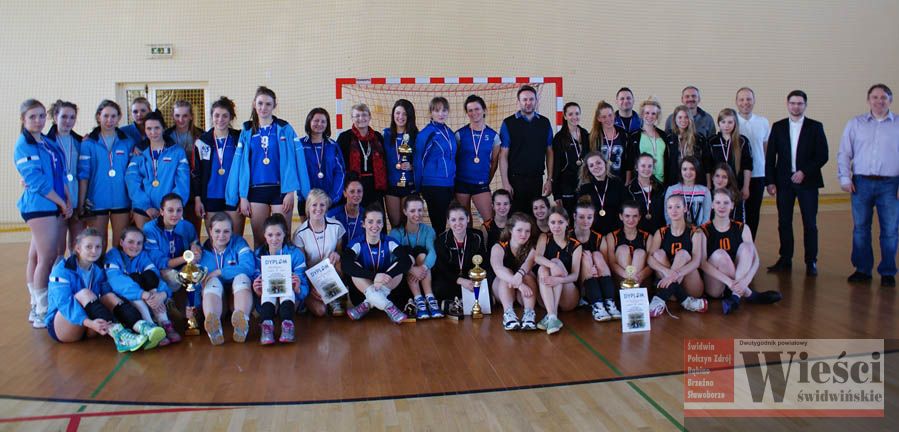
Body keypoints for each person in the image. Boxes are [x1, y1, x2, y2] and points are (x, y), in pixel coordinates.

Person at [46, 228, 161, 351]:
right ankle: (120, 336)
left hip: (90, 326)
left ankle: (140, 326)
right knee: (85, 293)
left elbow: (108, 295)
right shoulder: (62, 269)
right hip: (64, 326)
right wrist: (90, 323)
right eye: (88, 247)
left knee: (109, 296)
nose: (94, 251)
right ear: (78, 248)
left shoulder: (98, 269)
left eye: (98, 247)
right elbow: (64, 304)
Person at [226, 86, 307, 248]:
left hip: (281, 190)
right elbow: (240, 165)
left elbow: (292, 161)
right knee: (260, 241)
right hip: (256, 191)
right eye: (260, 103)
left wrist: (291, 191)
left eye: (268, 104)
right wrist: (243, 196)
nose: (263, 108)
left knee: (283, 238)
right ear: (254, 104)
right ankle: (261, 266)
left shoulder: (284, 128)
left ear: (274, 105)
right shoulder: (247, 131)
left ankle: (285, 266)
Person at [16, 99, 71, 328]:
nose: (38, 121)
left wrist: (68, 200)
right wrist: (60, 202)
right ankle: (41, 308)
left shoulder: (48, 142)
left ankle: (34, 304)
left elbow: (61, 173)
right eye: (32, 117)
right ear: (23, 119)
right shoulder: (23, 145)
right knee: (47, 257)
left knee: (37, 255)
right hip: (39, 207)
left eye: (41, 116)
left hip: (54, 205)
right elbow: (36, 181)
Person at [837, 83, 899, 287]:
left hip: (891, 184)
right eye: (875, 97)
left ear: (890, 100)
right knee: (861, 228)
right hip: (861, 183)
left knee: (890, 230)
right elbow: (844, 152)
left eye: (883, 97)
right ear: (868, 100)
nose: (879, 101)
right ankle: (862, 269)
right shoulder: (855, 124)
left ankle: (888, 271)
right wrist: (845, 178)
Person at [765, 90, 829, 276]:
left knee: (810, 223)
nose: (796, 107)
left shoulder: (815, 126)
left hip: (808, 182)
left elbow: (822, 155)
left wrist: (804, 172)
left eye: (800, 103)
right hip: (784, 182)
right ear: (787, 104)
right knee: (784, 221)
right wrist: (770, 181)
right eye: (792, 103)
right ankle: (785, 258)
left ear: (805, 105)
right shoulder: (778, 126)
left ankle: (811, 261)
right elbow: (771, 156)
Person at [701, 189, 782, 314]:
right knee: (720, 254)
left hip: (736, 283)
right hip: (716, 286)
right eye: (718, 202)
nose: (722, 206)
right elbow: (702, 264)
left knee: (748, 247)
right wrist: (730, 282)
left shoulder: (742, 228)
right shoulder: (703, 230)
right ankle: (750, 295)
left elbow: (756, 260)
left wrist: (745, 282)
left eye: (726, 203)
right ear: (712, 205)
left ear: (732, 205)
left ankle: (735, 297)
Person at [104, 226, 180, 345]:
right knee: (134, 280)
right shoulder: (113, 255)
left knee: (150, 277)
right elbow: (117, 282)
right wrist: (143, 294)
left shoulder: (143, 256)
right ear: (121, 242)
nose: (135, 246)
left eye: (139, 243)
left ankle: (164, 323)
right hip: (121, 301)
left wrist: (162, 294)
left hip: (146, 298)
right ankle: (151, 327)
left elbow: (155, 277)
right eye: (130, 242)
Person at [78, 100, 135, 251]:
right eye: (106, 116)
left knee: (120, 245)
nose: (109, 120)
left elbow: (132, 176)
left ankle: (116, 267)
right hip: (96, 201)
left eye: (113, 116)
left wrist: (133, 203)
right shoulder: (88, 143)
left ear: (119, 118)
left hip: (122, 200)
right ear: (98, 117)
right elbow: (83, 176)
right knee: (98, 245)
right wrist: (82, 203)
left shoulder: (128, 142)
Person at [341, 204, 412, 324]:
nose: (375, 226)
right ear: (363, 224)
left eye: (379, 222)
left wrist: (388, 275)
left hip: (386, 288)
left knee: (399, 267)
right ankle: (389, 306)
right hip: (361, 293)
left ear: (383, 224)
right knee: (354, 268)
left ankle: (367, 304)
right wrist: (374, 276)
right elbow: (345, 264)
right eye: (370, 222)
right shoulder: (357, 243)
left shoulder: (389, 241)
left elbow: (406, 261)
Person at [142, 194, 202, 326]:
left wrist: (196, 250)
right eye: (170, 210)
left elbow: (196, 244)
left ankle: (193, 313)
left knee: (197, 272)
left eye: (179, 210)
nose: (175, 214)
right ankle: (162, 310)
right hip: (159, 271)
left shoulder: (187, 226)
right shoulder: (150, 229)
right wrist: (186, 257)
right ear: (161, 211)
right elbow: (160, 263)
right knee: (172, 276)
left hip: (180, 268)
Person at [198, 212, 255, 345]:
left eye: (226, 231)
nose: (222, 235)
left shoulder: (239, 243)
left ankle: (242, 325)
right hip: (220, 302)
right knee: (211, 282)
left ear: (232, 232)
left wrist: (219, 272)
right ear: (210, 231)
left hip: (239, 299)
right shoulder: (202, 252)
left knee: (242, 277)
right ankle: (214, 328)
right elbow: (197, 282)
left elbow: (248, 267)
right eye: (217, 231)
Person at [126, 111, 190, 229]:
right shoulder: (138, 153)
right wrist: (146, 206)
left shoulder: (177, 152)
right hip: (143, 209)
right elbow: (132, 182)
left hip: (170, 211)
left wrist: (170, 207)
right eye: (149, 128)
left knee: (169, 240)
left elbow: (183, 183)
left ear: (163, 128)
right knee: (145, 240)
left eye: (157, 128)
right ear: (144, 130)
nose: (153, 132)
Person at [646, 194, 708, 317]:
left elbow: (696, 262)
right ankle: (686, 301)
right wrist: (668, 272)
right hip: (670, 286)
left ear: (685, 209)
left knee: (683, 254)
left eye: (677, 207)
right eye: (670, 207)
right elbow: (649, 259)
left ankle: (660, 298)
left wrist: (676, 274)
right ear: (666, 210)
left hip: (692, 286)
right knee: (657, 254)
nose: (673, 210)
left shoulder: (695, 232)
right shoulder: (661, 232)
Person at [252, 214, 308, 344]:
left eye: (278, 234)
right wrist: (257, 290)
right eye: (270, 235)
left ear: (285, 234)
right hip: (266, 300)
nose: (274, 239)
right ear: (264, 235)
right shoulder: (258, 255)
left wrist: (298, 288)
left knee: (287, 288)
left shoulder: (296, 254)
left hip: (291, 301)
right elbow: (255, 283)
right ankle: (266, 326)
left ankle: (288, 325)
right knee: (267, 288)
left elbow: (304, 289)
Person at [193, 96, 244, 236]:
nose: (220, 119)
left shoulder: (239, 139)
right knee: (216, 241)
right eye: (216, 115)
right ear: (211, 116)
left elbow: (245, 169)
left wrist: (244, 196)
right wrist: (198, 199)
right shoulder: (202, 142)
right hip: (211, 197)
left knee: (235, 240)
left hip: (234, 197)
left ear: (231, 117)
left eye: (225, 116)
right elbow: (197, 173)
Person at [499, 85, 554, 214]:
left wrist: (549, 179)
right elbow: (503, 155)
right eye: (524, 99)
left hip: (537, 179)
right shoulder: (508, 123)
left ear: (536, 100)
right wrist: (505, 183)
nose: (528, 103)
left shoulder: (545, 123)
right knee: (516, 218)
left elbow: (550, 152)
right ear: (519, 101)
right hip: (515, 180)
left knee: (535, 217)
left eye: (531, 99)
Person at [294, 189, 346, 317]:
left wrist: (337, 255)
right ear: (308, 207)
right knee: (321, 311)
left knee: (340, 263)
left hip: (331, 274)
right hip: (311, 277)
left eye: (322, 205)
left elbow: (340, 253)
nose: (318, 208)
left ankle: (335, 298)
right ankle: (306, 299)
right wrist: (311, 285)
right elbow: (301, 265)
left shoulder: (336, 226)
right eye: (314, 205)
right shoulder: (300, 233)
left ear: (327, 207)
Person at [389, 195, 441, 319]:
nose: (417, 214)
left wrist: (423, 268)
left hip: (424, 276)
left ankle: (429, 298)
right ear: (405, 212)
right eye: (412, 211)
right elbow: (392, 258)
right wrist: (411, 269)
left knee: (422, 253)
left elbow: (432, 253)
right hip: (403, 277)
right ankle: (418, 299)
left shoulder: (428, 231)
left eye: (420, 210)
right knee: (406, 253)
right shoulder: (396, 232)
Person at [534, 206, 582, 334]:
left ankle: (551, 315)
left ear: (567, 222)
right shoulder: (544, 237)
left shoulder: (576, 245)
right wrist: (552, 266)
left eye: (560, 222)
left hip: (568, 297)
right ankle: (552, 316)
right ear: (548, 224)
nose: (556, 226)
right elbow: (537, 257)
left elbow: (575, 276)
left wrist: (558, 279)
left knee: (557, 261)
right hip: (546, 297)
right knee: (543, 268)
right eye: (553, 222)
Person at [571, 198, 619, 321]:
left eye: (589, 217)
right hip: (575, 281)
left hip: (597, 278)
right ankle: (597, 305)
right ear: (574, 216)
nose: (586, 221)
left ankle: (610, 303)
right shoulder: (568, 236)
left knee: (597, 255)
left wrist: (595, 269)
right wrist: (587, 267)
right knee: (586, 255)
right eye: (581, 217)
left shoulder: (599, 238)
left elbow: (605, 265)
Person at [433, 202, 490, 305]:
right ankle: (461, 301)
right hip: (452, 279)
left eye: (461, 219)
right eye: (453, 220)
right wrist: (460, 280)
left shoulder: (477, 236)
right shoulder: (441, 240)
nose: (458, 223)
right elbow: (442, 268)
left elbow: (482, 261)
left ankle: (457, 302)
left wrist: (474, 280)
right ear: (448, 221)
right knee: (439, 288)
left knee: (488, 283)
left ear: (468, 219)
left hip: (471, 279)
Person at [455, 95, 501, 222]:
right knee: (464, 222)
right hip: (461, 184)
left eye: (477, 109)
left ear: (484, 110)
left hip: (481, 184)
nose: (474, 113)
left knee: (489, 222)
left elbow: (494, 162)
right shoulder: (459, 134)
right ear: (467, 113)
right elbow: (454, 160)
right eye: (470, 110)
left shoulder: (493, 136)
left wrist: (486, 179)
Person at [414, 97, 457, 233]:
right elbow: (418, 161)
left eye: (444, 110)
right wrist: (417, 186)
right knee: (438, 224)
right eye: (437, 110)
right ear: (431, 112)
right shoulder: (426, 133)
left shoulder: (449, 132)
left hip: (448, 184)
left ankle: (440, 245)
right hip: (433, 185)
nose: (441, 114)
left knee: (443, 223)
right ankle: (437, 247)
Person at [490, 212, 539, 331]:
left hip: (523, 295)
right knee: (505, 273)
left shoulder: (532, 247)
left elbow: (528, 263)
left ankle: (529, 314)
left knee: (527, 275)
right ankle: (508, 314)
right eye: (519, 230)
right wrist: (519, 284)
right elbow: (497, 268)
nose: (524, 234)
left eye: (527, 231)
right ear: (511, 230)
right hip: (504, 290)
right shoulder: (499, 246)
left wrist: (520, 279)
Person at [47, 100, 84, 255]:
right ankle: (58, 270)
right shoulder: (45, 142)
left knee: (78, 246)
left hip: (77, 197)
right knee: (58, 248)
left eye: (72, 117)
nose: (68, 121)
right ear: (55, 117)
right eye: (64, 117)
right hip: (57, 199)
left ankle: (75, 270)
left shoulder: (80, 141)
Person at [164, 100, 204, 234]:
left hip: (194, 190)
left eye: (185, 116)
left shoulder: (201, 136)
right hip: (171, 188)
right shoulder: (165, 136)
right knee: (171, 232)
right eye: (177, 115)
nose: (180, 120)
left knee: (192, 231)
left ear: (191, 116)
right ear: (172, 116)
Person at [297, 108, 345, 218]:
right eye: (316, 120)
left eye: (323, 121)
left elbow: (340, 173)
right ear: (309, 121)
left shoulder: (333, 146)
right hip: (306, 200)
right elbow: (296, 173)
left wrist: (332, 198)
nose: (319, 124)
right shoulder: (300, 145)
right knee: (308, 229)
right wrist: (307, 197)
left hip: (330, 201)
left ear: (327, 124)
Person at [337, 103, 386, 209]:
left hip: (375, 187)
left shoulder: (378, 137)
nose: (361, 118)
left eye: (364, 115)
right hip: (354, 187)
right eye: (357, 116)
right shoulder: (344, 138)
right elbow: (339, 165)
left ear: (369, 117)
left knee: (376, 216)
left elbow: (385, 161)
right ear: (352, 118)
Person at [735, 87, 770, 238]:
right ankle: (736, 245)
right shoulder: (732, 121)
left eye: (749, 99)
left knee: (753, 213)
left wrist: (769, 176)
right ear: (736, 102)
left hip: (758, 175)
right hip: (737, 175)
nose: (745, 102)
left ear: (754, 101)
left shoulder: (763, 122)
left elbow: (766, 149)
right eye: (742, 99)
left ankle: (750, 245)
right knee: (736, 213)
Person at [383, 99, 418, 226]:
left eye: (404, 114)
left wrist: (412, 166)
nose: (400, 117)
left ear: (410, 116)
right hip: (391, 185)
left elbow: (421, 161)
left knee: (408, 224)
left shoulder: (416, 136)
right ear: (393, 114)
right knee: (396, 225)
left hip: (409, 185)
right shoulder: (385, 134)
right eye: (397, 113)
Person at [576, 152, 628, 234]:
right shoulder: (584, 188)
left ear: (605, 163)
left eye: (598, 163)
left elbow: (625, 208)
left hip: (616, 231)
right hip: (593, 233)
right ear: (588, 169)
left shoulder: (617, 183)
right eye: (591, 165)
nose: (596, 166)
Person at [552, 102, 590, 215]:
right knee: (569, 217)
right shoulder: (559, 138)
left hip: (583, 184)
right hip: (566, 185)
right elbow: (556, 166)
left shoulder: (585, 134)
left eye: (577, 113)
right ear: (565, 116)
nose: (574, 117)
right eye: (570, 114)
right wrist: (556, 193)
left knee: (583, 216)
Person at [708, 108, 753, 203]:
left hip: (737, 186)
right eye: (723, 122)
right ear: (718, 123)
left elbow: (747, 166)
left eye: (730, 122)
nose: (726, 125)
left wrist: (746, 187)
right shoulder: (712, 141)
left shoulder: (742, 141)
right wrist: (709, 185)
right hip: (717, 186)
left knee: (736, 211)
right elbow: (708, 166)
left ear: (735, 123)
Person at [604, 202, 653, 286]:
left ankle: (632, 287)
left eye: (635, 216)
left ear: (639, 217)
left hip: (640, 279)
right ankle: (629, 286)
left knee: (640, 252)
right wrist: (628, 276)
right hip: (621, 279)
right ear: (621, 216)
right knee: (623, 249)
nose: (631, 220)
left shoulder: (648, 237)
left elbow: (651, 265)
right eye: (627, 216)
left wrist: (638, 277)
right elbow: (612, 263)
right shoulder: (611, 236)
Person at [628, 99, 674, 185]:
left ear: (657, 116)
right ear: (642, 114)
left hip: (662, 181)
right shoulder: (634, 136)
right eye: (647, 113)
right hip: (642, 181)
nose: (650, 116)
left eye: (653, 113)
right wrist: (628, 181)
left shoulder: (664, 135)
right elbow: (629, 162)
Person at [669, 105, 712, 187]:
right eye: (680, 117)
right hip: (675, 181)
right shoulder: (669, 138)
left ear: (690, 119)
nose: (683, 120)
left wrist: (708, 182)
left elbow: (706, 162)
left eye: (686, 117)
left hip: (696, 181)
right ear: (675, 119)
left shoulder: (699, 138)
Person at [664, 157, 712, 226]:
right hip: (676, 230)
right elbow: (667, 213)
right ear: (680, 171)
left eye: (692, 169)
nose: (688, 172)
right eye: (684, 169)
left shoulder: (705, 191)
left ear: (697, 170)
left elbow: (706, 216)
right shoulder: (671, 190)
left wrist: (701, 230)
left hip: (698, 230)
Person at [590, 100, 630, 181]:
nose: (608, 119)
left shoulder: (622, 133)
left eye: (610, 115)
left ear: (614, 115)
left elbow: (628, 159)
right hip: (600, 180)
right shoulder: (594, 136)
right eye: (604, 117)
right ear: (599, 118)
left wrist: (627, 180)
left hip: (619, 180)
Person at [627, 153, 666, 234]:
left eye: (650, 166)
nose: (646, 169)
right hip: (637, 234)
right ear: (636, 167)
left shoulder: (660, 188)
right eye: (643, 166)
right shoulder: (629, 190)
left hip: (658, 233)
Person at [327, 174, 365, 246]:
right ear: (344, 193)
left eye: (359, 191)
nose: (356, 195)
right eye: (352, 191)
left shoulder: (367, 216)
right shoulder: (332, 216)